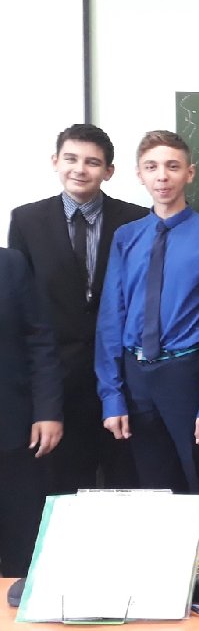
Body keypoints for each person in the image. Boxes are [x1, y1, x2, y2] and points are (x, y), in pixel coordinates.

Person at [95, 130, 199, 549]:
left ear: (190, 173)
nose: (162, 176)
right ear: (139, 174)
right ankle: (164, 573)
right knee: (154, 488)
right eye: (152, 167)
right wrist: (112, 395)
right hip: (137, 376)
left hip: (187, 372)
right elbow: (111, 317)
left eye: (173, 166)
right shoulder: (127, 236)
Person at [9, 124, 146, 494]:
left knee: (126, 484)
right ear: (55, 161)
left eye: (92, 162)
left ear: (109, 171)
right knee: (63, 488)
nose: (80, 169)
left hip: (123, 380)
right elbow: (21, 307)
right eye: (71, 159)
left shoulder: (136, 219)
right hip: (57, 383)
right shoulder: (27, 220)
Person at [0, 247, 62, 577]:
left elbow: (41, 341)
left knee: (22, 539)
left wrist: (48, 411)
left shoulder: (10, 265)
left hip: (13, 426)